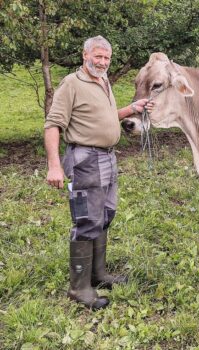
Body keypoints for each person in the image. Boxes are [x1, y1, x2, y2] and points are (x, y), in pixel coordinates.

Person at [44, 35, 153, 310]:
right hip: (85, 160)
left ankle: (98, 274)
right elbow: (53, 124)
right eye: (98, 56)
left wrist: (132, 108)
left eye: (106, 58)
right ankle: (79, 288)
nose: (102, 62)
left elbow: (104, 116)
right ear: (85, 55)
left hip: (107, 158)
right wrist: (54, 165)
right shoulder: (72, 83)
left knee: (106, 214)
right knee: (86, 219)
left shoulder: (103, 81)